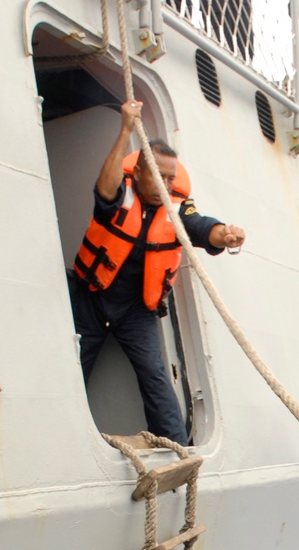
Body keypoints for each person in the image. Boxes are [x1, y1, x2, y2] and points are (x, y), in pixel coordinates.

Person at [70, 100, 245, 446]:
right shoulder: (121, 193)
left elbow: (199, 226)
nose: (165, 183)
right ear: (139, 173)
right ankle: (63, 438)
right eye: (158, 175)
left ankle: (177, 451)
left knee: (155, 375)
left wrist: (223, 233)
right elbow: (103, 190)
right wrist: (125, 130)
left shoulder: (177, 206)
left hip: (137, 310)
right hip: (90, 297)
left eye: (170, 177)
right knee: (72, 369)